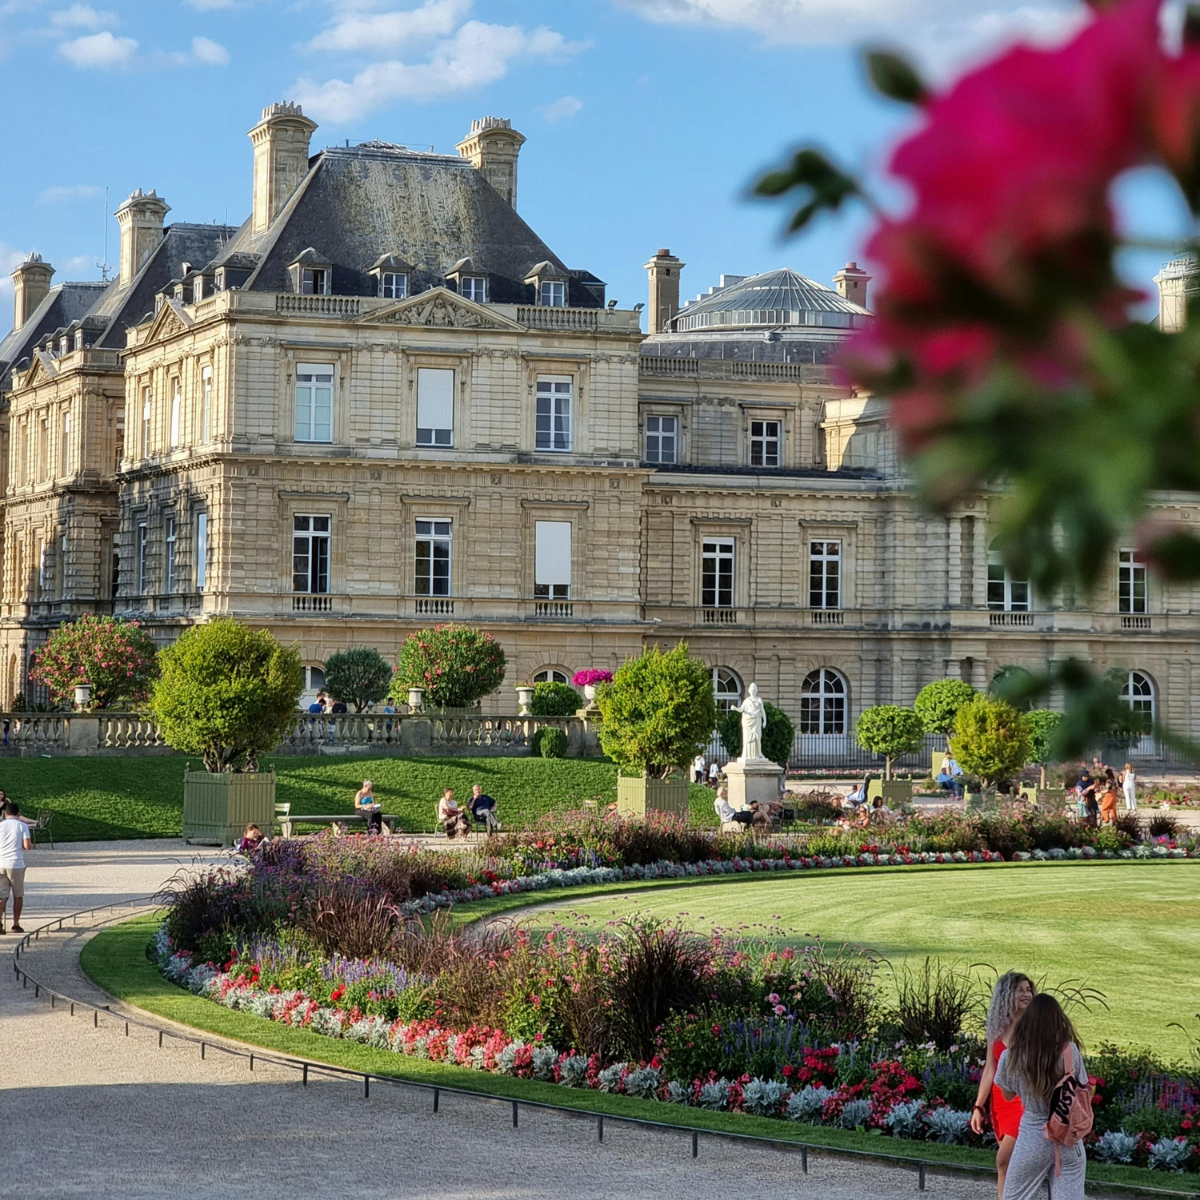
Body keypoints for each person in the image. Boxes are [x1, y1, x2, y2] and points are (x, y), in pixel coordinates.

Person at [995, 994, 1090, 1200]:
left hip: (1032, 1135)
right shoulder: (1069, 1051)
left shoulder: (1012, 1056)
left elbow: (1008, 1094)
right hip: (1067, 1134)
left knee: (1014, 1196)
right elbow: (1083, 1090)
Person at [971, 972, 1036, 1200]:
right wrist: (978, 1107)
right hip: (1000, 1103)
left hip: (1025, 1101)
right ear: (1007, 994)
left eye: (1028, 989)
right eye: (1020, 990)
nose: (1026, 994)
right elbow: (990, 1069)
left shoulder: (1035, 1028)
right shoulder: (997, 1029)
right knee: (1008, 1167)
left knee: (1004, 1160)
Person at [0, 800, 33, 934]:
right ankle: (15, 924)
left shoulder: (0, 826)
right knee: (18, 895)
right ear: (17, 813)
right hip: (16, 863)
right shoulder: (22, 826)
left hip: (0, 863)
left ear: (5, 813)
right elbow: (27, 846)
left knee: (2, 896)